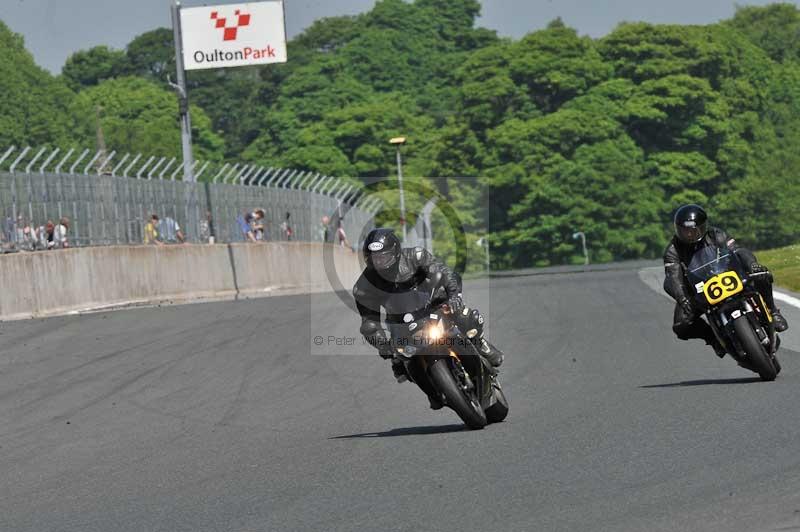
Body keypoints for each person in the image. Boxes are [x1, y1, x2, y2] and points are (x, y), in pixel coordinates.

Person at [352, 228, 504, 410]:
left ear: (396, 251)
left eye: (384, 256)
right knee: (400, 361)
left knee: (462, 316)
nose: (380, 262)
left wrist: (454, 296)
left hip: (433, 304)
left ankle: (480, 344)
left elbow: (445, 273)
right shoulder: (364, 287)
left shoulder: (416, 257)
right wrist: (382, 344)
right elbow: (369, 322)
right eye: (375, 258)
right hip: (402, 323)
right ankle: (433, 391)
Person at [663, 204, 789, 358]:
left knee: (762, 275)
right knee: (681, 325)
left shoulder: (716, 234)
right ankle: (713, 338)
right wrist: (682, 298)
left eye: (693, 230)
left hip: (730, 275)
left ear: (703, 227)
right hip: (698, 290)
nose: (689, 235)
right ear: (677, 229)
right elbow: (673, 276)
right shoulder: (672, 250)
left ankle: (773, 311)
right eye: (684, 231)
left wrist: (752, 265)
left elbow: (738, 250)